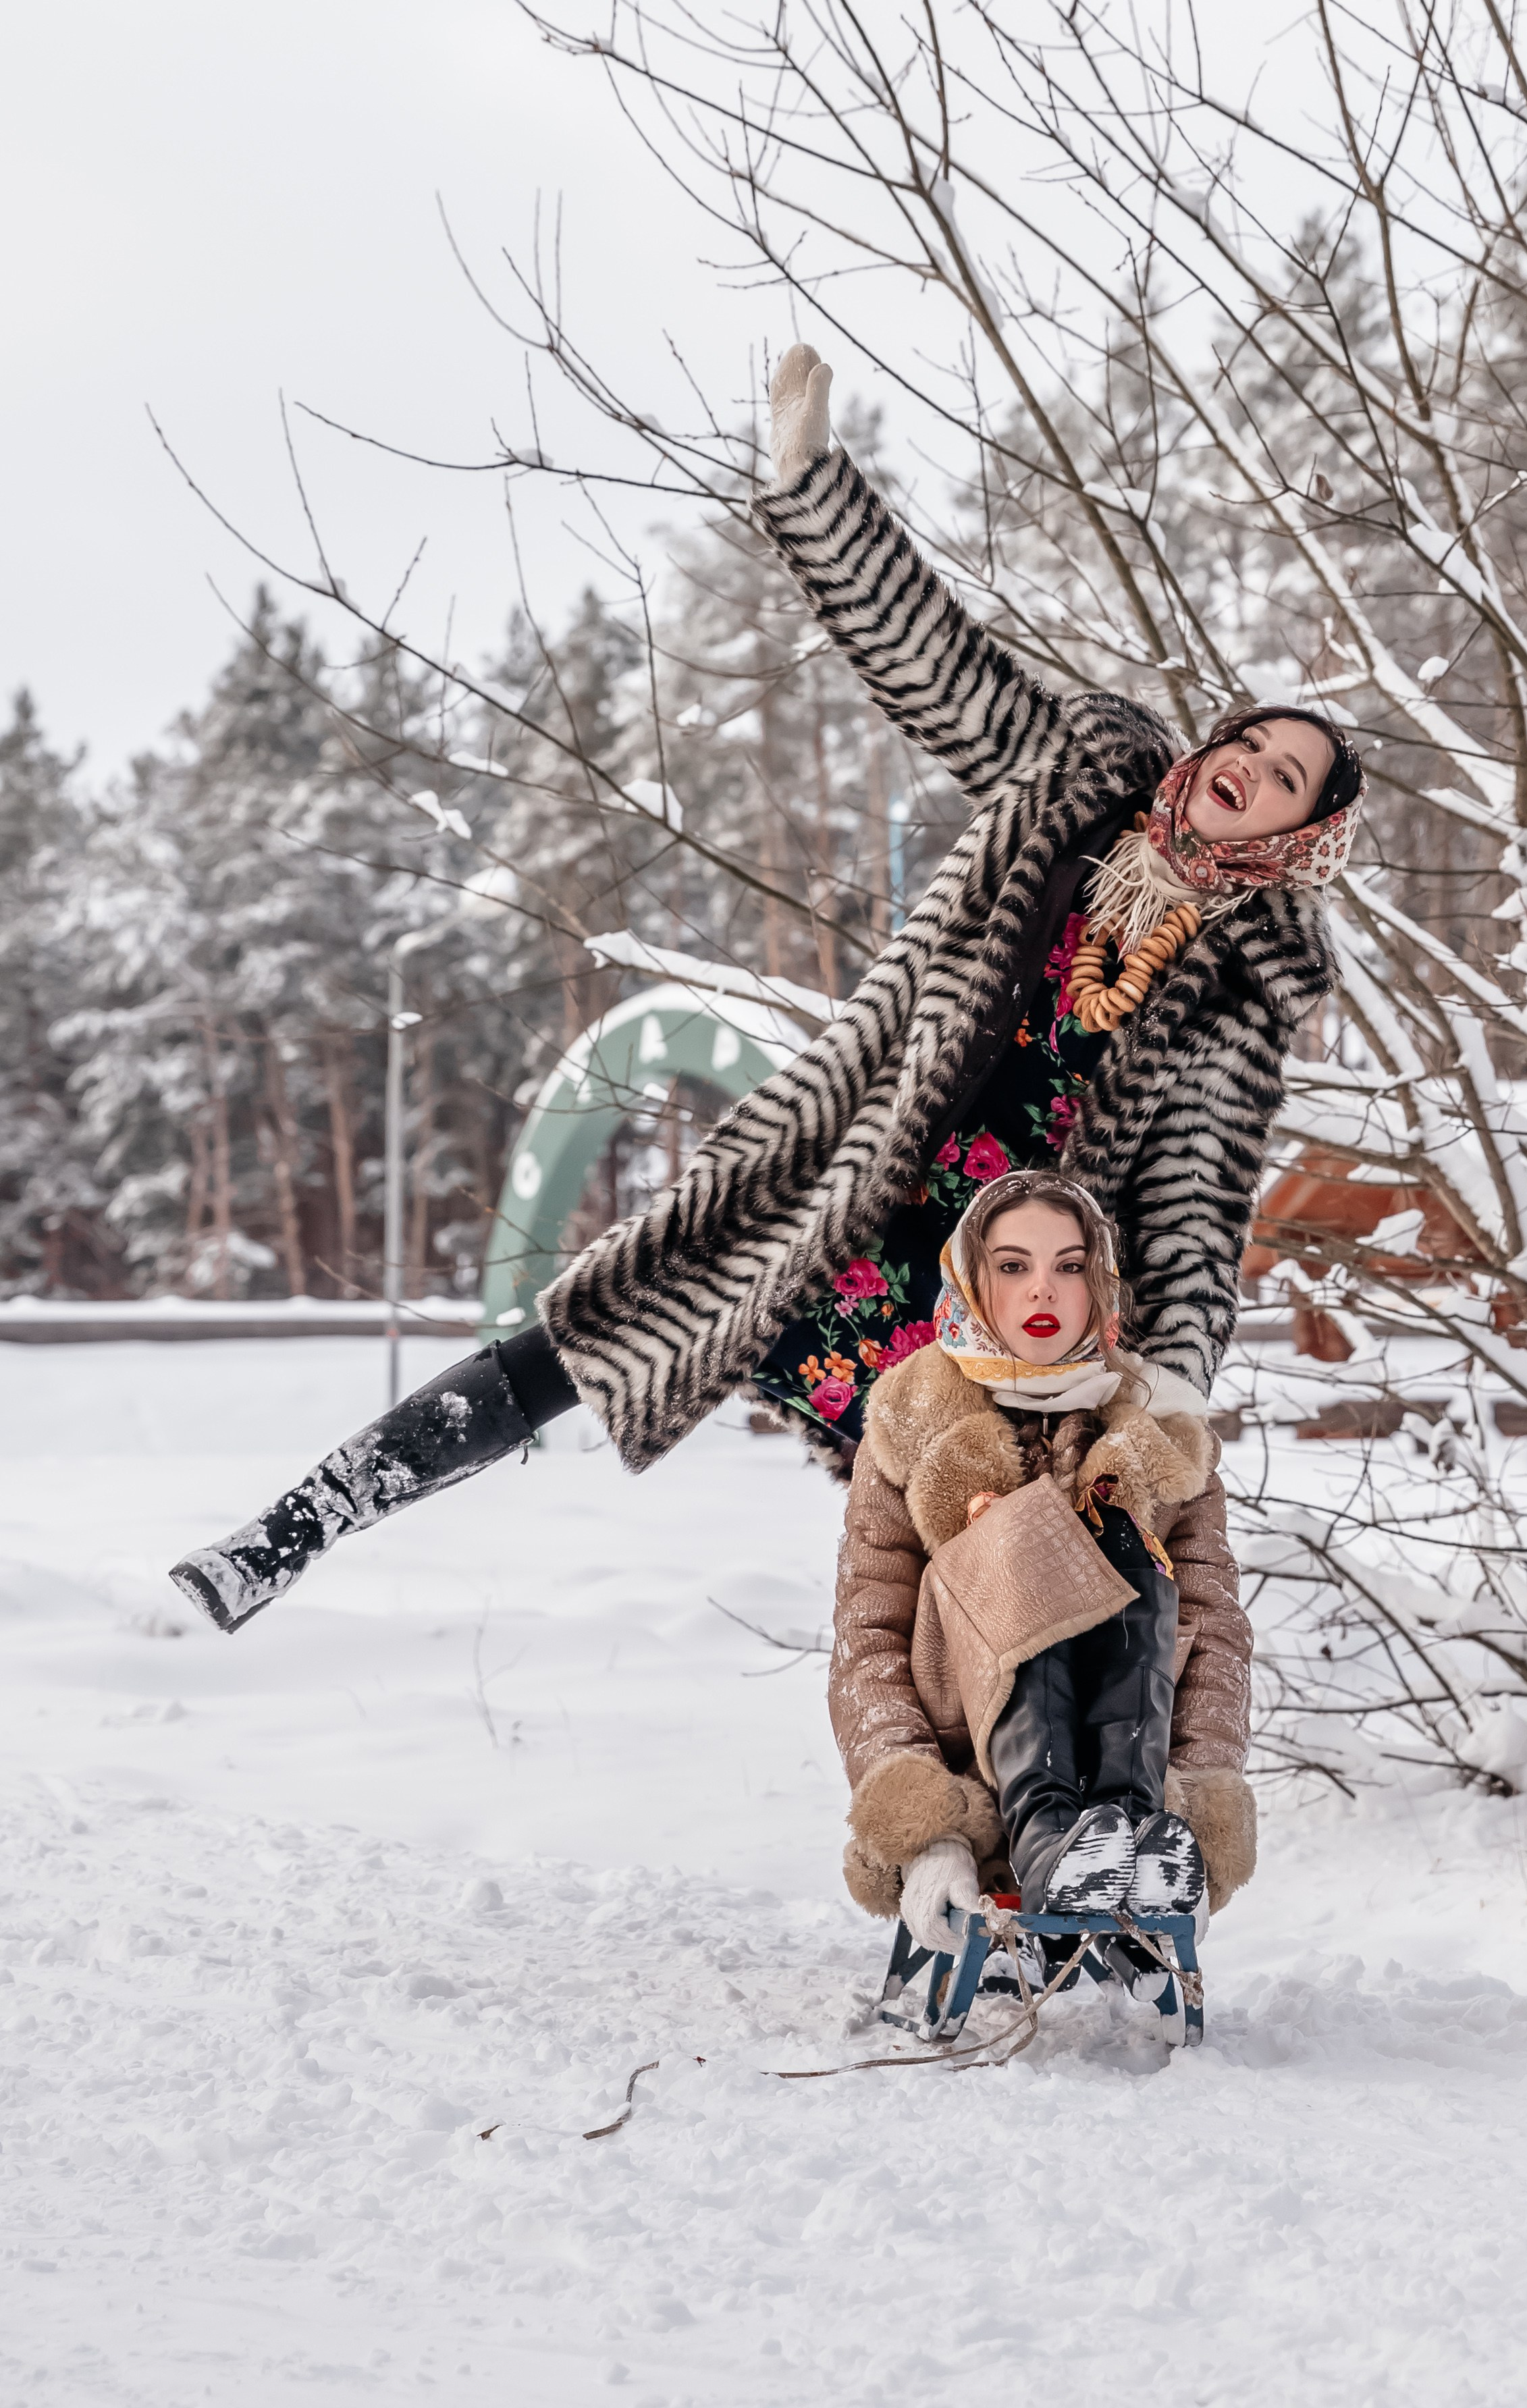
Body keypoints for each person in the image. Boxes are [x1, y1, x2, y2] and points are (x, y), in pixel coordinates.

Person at [169, 329, 1364, 1948]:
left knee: (987, 1547)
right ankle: (294, 1526)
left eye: (1282, 779)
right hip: (848, 1174)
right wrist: (810, 484)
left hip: (998, 1279)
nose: (1244, 772)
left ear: (1294, 833)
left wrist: (1173, 1375)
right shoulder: (1073, 770)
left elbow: (1195, 1198)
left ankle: (1033, 1850)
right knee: (586, 1334)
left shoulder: (1237, 986)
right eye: (1247, 743)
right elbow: (929, 660)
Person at [831, 1168, 1251, 1958]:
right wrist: (926, 1823)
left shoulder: (1160, 1427)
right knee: (1021, 1534)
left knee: (1129, 1545)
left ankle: (1130, 1838)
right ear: (972, 1277)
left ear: (1101, 1282)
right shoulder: (908, 1423)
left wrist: (1197, 1812)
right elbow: (869, 1644)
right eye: (1012, 1265)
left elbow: (1215, 1639)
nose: (1042, 1291)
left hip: (1138, 1776)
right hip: (973, 1769)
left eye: (1069, 1265)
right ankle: (1048, 1836)